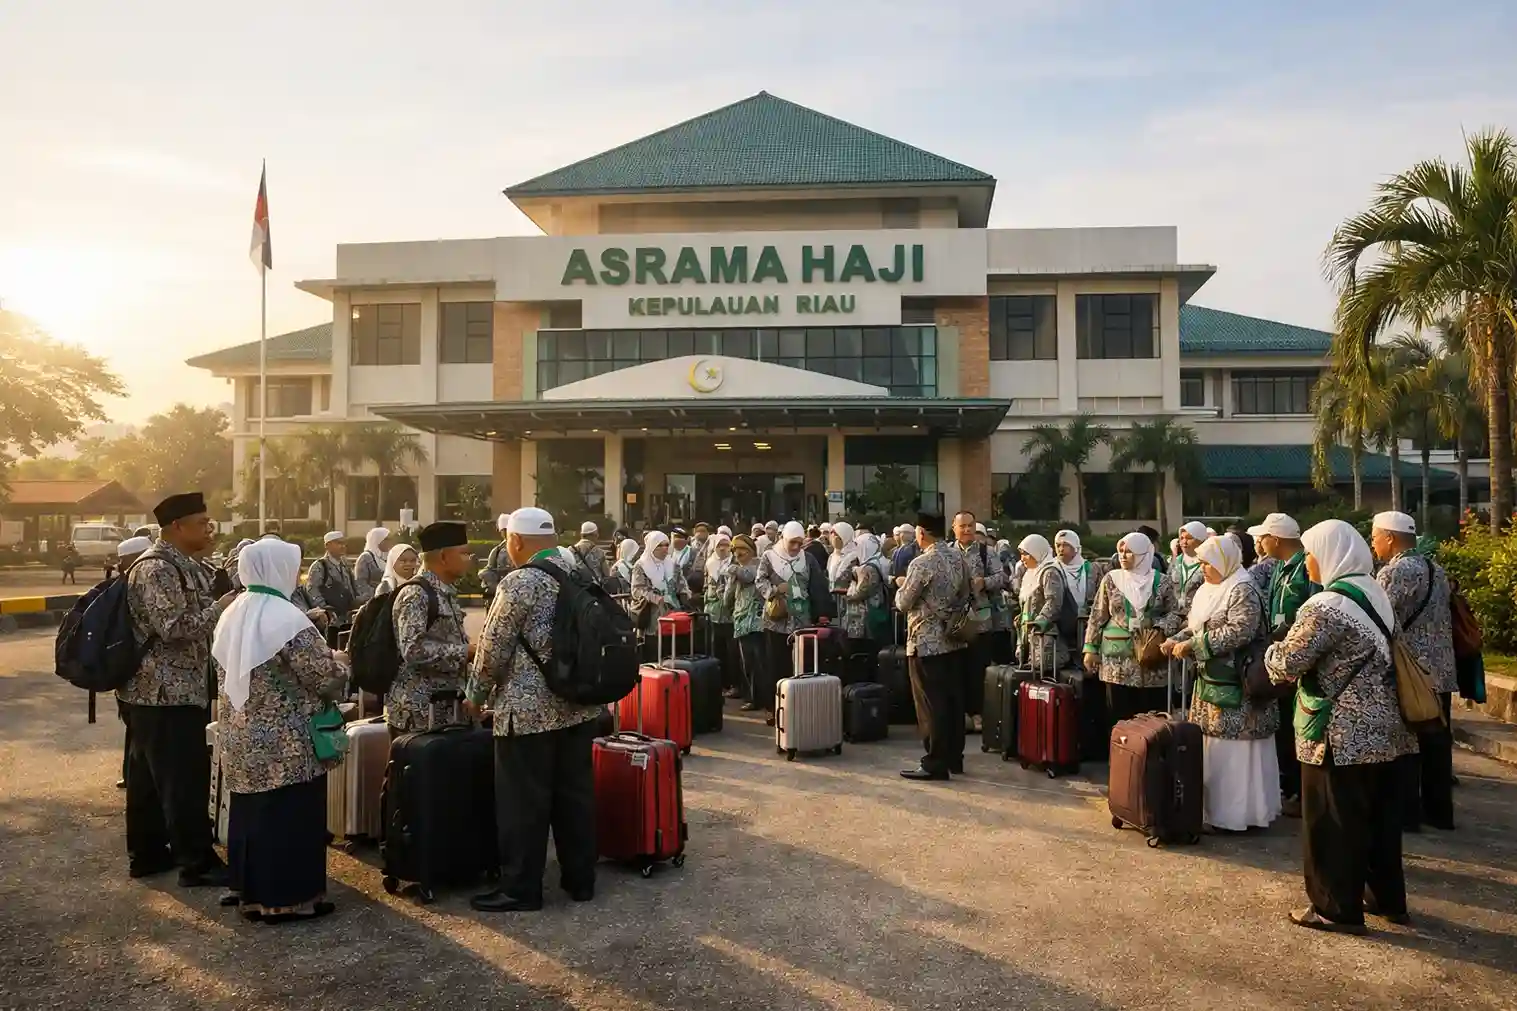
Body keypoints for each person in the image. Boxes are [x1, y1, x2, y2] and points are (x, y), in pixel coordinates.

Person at [1265, 519, 1417, 934]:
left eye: (1311, 552)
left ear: (1330, 554)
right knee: (1380, 822)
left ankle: (1335, 908)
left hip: (1340, 734)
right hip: (1386, 729)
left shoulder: (1326, 606)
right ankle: (1387, 900)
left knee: (1332, 822)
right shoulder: (1375, 593)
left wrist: (1270, 651)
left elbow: (1287, 662)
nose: (1308, 561)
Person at [465, 508, 603, 913]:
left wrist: (475, 695)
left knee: (523, 804)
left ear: (517, 541)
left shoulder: (520, 581)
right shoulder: (580, 574)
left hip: (527, 714)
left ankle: (521, 888)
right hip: (578, 708)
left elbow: (492, 647)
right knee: (575, 797)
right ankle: (581, 880)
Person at [212, 538, 346, 923]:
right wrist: (342, 662)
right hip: (289, 742)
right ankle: (289, 899)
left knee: (251, 814)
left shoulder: (232, 612)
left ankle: (250, 893)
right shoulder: (286, 617)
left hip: (241, 736)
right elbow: (323, 676)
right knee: (291, 816)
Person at [120, 493, 236, 886]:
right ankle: (196, 862)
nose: (209, 528)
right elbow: (174, 628)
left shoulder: (182, 564)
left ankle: (149, 854)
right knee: (181, 779)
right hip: (165, 692)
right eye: (202, 522)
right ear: (176, 527)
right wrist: (221, 607)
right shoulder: (158, 569)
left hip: (165, 691)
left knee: (150, 780)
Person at [1162, 535, 1280, 832]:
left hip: (1238, 684)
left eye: (1207, 563)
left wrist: (1194, 647)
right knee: (1213, 746)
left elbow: (1240, 630)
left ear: (1223, 561)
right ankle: (1212, 811)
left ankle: (1237, 816)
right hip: (1211, 682)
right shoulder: (1209, 589)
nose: (1202, 568)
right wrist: (1175, 641)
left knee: (1237, 751)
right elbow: (1197, 625)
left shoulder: (1243, 588)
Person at [1371, 511, 1457, 832]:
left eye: (1376, 536)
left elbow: (1382, 618)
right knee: (1437, 743)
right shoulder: (1435, 568)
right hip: (1441, 670)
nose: (1373, 543)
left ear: (1391, 538)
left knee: (1407, 743)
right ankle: (1439, 812)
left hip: (1411, 672)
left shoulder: (1396, 572)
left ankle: (1406, 814)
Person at [895, 512, 971, 781]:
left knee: (930, 704)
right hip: (954, 637)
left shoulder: (921, 563)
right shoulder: (958, 558)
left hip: (926, 642)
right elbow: (966, 594)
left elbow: (903, 603)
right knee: (952, 701)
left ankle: (934, 762)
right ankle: (954, 758)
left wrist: (900, 585)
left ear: (922, 533)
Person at [1251, 511, 1313, 818]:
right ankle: (1289, 786)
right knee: (1283, 725)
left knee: (1296, 725)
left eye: (1263, 537)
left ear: (1275, 539)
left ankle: (1302, 791)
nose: (1259, 542)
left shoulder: (1306, 567)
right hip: (1278, 650)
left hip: (1298, 656)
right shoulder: (1278, 568)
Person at [1083, 531, 1179, 727]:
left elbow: (1177, 613)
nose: (1123, 556)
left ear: (1143, 554)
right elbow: (1098, 615)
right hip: (1117, 661)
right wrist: (1090, 649)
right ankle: (1122, 754)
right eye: (1121, 551)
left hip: (1151, 661)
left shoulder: (1162, 581)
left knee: (1151, 717)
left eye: (1129, 552)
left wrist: (1159, 629)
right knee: (1119, 717)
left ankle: (1149, 756)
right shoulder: (1112, 579)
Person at [386, 522, 474, 734]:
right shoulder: (417, 594)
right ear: (443, 557)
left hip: (446, 713)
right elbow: (413, 650)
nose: (469, 560)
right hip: (420, 715)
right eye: (463, 554)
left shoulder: (445, 592)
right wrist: (466, 652)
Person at [756, 521, 815, 725]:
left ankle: (797, 706)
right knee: (775, 665)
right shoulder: (769, 556)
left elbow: (816, 583)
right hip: (777, 620)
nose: (796, 547)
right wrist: (775, 590)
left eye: (800, 543)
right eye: (792, 543)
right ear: (784, 539)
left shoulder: (807, 559)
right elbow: (759, 581)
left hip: (801, 620)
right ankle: (774, 708)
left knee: (799, 665)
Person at [953, 511, 1003, 732]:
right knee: (956, 668)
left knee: (978, 669)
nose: (966, 530)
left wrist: (985, 582)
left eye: (970, 526)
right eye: (962, 526)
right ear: (953, 528)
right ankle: (958, 714)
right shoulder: (947, 553)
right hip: (953, 622)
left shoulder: (987, 552)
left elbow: (1003, 577)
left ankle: (978, 714)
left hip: (981, 620)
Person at [112, 536, 154, 790]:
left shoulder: (121, 586)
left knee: (135, 732)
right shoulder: (136, 587)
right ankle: (136, 779)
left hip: (125, 672)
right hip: (136, 672)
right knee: (139, 733)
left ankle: (131, 776)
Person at [1014, 534, 1067, 672]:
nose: (1022, 558)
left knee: (1043, 672)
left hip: (1044, 635)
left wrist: (1039, 621)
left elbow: (1053, 601)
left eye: (1026, 554)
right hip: (1028, 633)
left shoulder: (1049, 572)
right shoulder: (1030, 574)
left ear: (1036, 552)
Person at [631, 531, 691, 642]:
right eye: (659, 545)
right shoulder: (641, 566)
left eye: (666, 545)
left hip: (674, 611)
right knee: (655, 646)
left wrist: (684, 594)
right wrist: (654, 597)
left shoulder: (673, 564)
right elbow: (637, 589)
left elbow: (681, 584)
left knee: (675, 647)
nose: (664, 548)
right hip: (653, 613)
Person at [726, 535, 764, 707]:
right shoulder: (736, 569)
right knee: (745, 661)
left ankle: (758, 698)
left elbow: (748, 576)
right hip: (741, 620)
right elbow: (728, 597)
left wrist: (733, 570)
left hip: (756, 620)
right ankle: (749, 695)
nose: (738, 553)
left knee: (757, 661)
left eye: (742, 549)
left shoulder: (758, 565)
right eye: (735, 550)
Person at [702, 532, 739, 696]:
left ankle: (733, 683)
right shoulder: (710, 563)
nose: (723, 548)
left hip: (730, 614)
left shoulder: (734, 563)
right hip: (713, 613)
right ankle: (719, 683)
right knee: (716, 650)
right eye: (719, 545)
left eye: (726, 545)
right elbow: (705, 585)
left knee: (732, 651)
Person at [306, 532, 360, 636]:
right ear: (327, 545)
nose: (342, 546)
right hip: (330, 620)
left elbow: (353, 588)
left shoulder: (346, 565)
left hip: (347, 616)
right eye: (338, 543)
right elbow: (312, 590)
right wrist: (325, 610)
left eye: (344, 543)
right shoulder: (319, 566)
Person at [1172, 521, 1210, 617]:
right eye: (1181, 538)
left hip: (1198, 616)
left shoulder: (1209, 563)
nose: (1184, 542)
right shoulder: (1176, 562)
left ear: (1201, 540)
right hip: (1173, 615)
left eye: (1189, 538)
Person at [354, 527, 391, 604]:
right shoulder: (366, 557)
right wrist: (376, 594)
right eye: (386, 539)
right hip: (372, 601)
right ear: (377, 540)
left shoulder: (388, 556)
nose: (389, 542)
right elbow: (360, 582)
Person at [482, 513, 513, 599]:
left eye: (507, 530)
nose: (506, 533)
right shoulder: (497, 551)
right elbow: (489, 569)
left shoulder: (521, 548)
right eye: (504, 530)